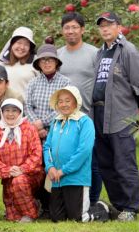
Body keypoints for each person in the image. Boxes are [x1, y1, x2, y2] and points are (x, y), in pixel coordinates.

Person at [91, 11, 139, 221]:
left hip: (121, 115)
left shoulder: (128, 50)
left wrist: (135, 107)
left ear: (119, 27)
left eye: (109, 24)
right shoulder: (101, 52)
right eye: (102, 25)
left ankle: (131, 208)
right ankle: (119, 206)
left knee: (124, 162)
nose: (105, 28)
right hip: (99, 114)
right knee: (106, 163)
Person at [44, 86, 109, 223]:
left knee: (78, 217)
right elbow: (47, 147)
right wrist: (50, 167)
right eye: (60, 101)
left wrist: (64, 170)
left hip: (77, 178)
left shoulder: (85, 122)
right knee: (56, 218)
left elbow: (84, 150)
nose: (64, 104)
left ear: (76, 102)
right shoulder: (55, 122)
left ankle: (101, 207)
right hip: (57, 180)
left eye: (68, 100)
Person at [56, 12, 102, 203]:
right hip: (64, 116)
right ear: (62, 31)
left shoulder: (94, 53)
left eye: (75, 27)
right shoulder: (57, 55)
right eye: (67, 27)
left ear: (83, 29)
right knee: (66, 158)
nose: (71, 31)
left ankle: (92, 200)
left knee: (91, 159)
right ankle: (69, 199)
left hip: (87, 115)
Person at [0, 99, 44, 222]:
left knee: (19, 181)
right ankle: (34, 204)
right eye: (7, 110)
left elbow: (36, 155)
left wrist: (22, 170)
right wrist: (9, 171)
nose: (10, 114)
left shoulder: (30, 129)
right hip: (9, 178)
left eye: (14, 111)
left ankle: (30, 214)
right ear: (2, 112)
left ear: (20, 113)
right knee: (12, 217)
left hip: (31, 175)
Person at [25, 43, 71, 140]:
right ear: (38, 63)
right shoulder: (32, 82)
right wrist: (37, 126)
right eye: (43, 60)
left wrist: (42, 123)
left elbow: (64, 107)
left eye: (50, 59)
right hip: (35, 133)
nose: (47, 63)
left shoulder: (65, 82)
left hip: (58, 132)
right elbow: (27, 106)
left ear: (56, 62)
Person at [0, 26, 38, 100]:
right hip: (0, 108)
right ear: (12, 43)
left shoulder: (36, 62)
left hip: (26, 108)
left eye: (26, 44)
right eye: (19, 43)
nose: (22, 47)